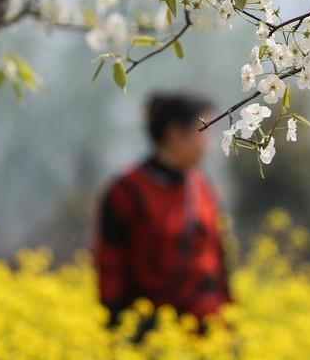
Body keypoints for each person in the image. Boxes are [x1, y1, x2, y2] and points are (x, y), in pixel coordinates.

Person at [94, 92, 230, 339]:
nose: (208, 145)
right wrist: (118, 327)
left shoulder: (204, 189)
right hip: (148, 335)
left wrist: (230, 322)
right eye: (205, 132)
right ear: (175, 134)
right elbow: (110, 265)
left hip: (206, 335)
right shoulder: (126, 192)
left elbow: (219, 260)